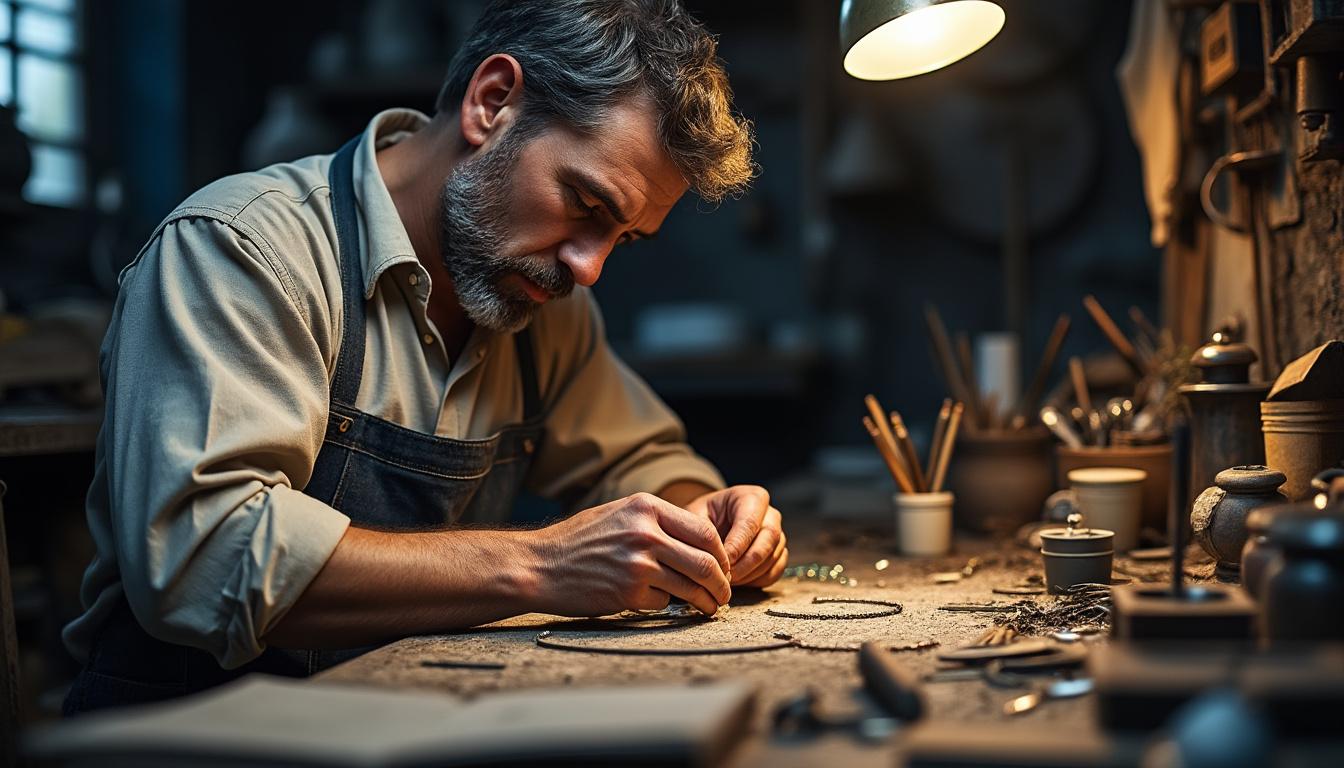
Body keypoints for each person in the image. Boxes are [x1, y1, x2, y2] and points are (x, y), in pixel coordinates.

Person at [61, 0, 788, 714]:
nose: (589, 268)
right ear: (491, 103)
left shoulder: (544, 304)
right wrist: (543, 565)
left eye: (622, 238)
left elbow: (644, 462)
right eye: (587, 205)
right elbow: (200, 562)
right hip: (185, 735)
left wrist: (705, 521)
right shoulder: (244, 251)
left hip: (398, 718)